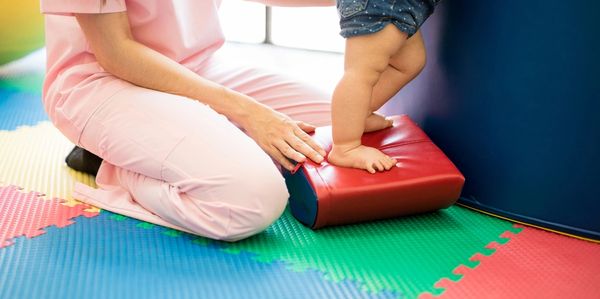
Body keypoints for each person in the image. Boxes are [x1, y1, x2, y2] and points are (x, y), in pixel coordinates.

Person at [40, 0, 336, 242]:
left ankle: (192, 147)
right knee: (254, 200)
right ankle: (111, 164)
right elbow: (115, 51)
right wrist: (249, 112)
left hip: (195, 67)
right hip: (101, 82)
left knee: (341, 127)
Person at [327, 0, 439, 173]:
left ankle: (359, 115)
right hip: (382, 5)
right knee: (362, 72)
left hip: (404, 7)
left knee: (409, 63)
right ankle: (346, 147)